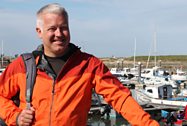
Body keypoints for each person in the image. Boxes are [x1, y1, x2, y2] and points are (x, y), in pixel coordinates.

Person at [0, 3, 159, 126]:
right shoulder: (23, 65)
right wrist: (16, 116)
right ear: (39, 32)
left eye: (64, 28)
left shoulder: (89, 65)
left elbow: (121, 99)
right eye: (52, 29)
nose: (59, 34)